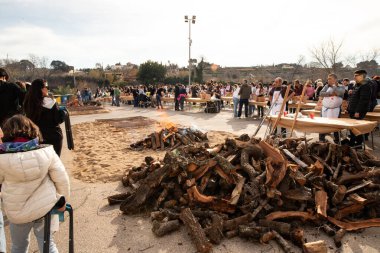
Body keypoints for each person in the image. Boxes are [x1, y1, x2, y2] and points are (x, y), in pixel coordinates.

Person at [0, 115, 70, 253]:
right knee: (48, 245)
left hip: (17, 212)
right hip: (44, 208)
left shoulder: (2, 158)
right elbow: (62, 178)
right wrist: (63, 201)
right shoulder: (47, 151)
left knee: (18, 247)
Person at [23, 79, 65, 156]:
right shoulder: (50, 102)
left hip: (36, 137)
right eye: (46, 87)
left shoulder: (28, 103)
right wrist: (62, 113)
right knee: (54, 163)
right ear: (42, 89)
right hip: (53, 135)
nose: (47, 89)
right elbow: (58, 119)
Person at [347, 70, 372, 147]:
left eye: (356, 75)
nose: (354, 77)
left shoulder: (366, 85)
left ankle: (357, 144)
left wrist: (357, 111)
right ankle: (354, 143)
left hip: (358, 111)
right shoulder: (357, 84)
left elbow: (363, 100)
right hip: (353, 109)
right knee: (353, 128)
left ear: (361, 76)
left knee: (357, 128)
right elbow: (355, 98)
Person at [318, 74, 345, 143]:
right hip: (325, 108)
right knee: (322, 124)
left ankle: (337, 140)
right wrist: (330, 94)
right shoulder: (326, 86)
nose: (328, 80)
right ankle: (321, 139)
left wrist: (334, 87)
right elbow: (321, 93)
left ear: (335, 79)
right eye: (328, 79)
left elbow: (340, 93)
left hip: (336, 109)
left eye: (330, 78)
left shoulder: (341, 87)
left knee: (336, 125)